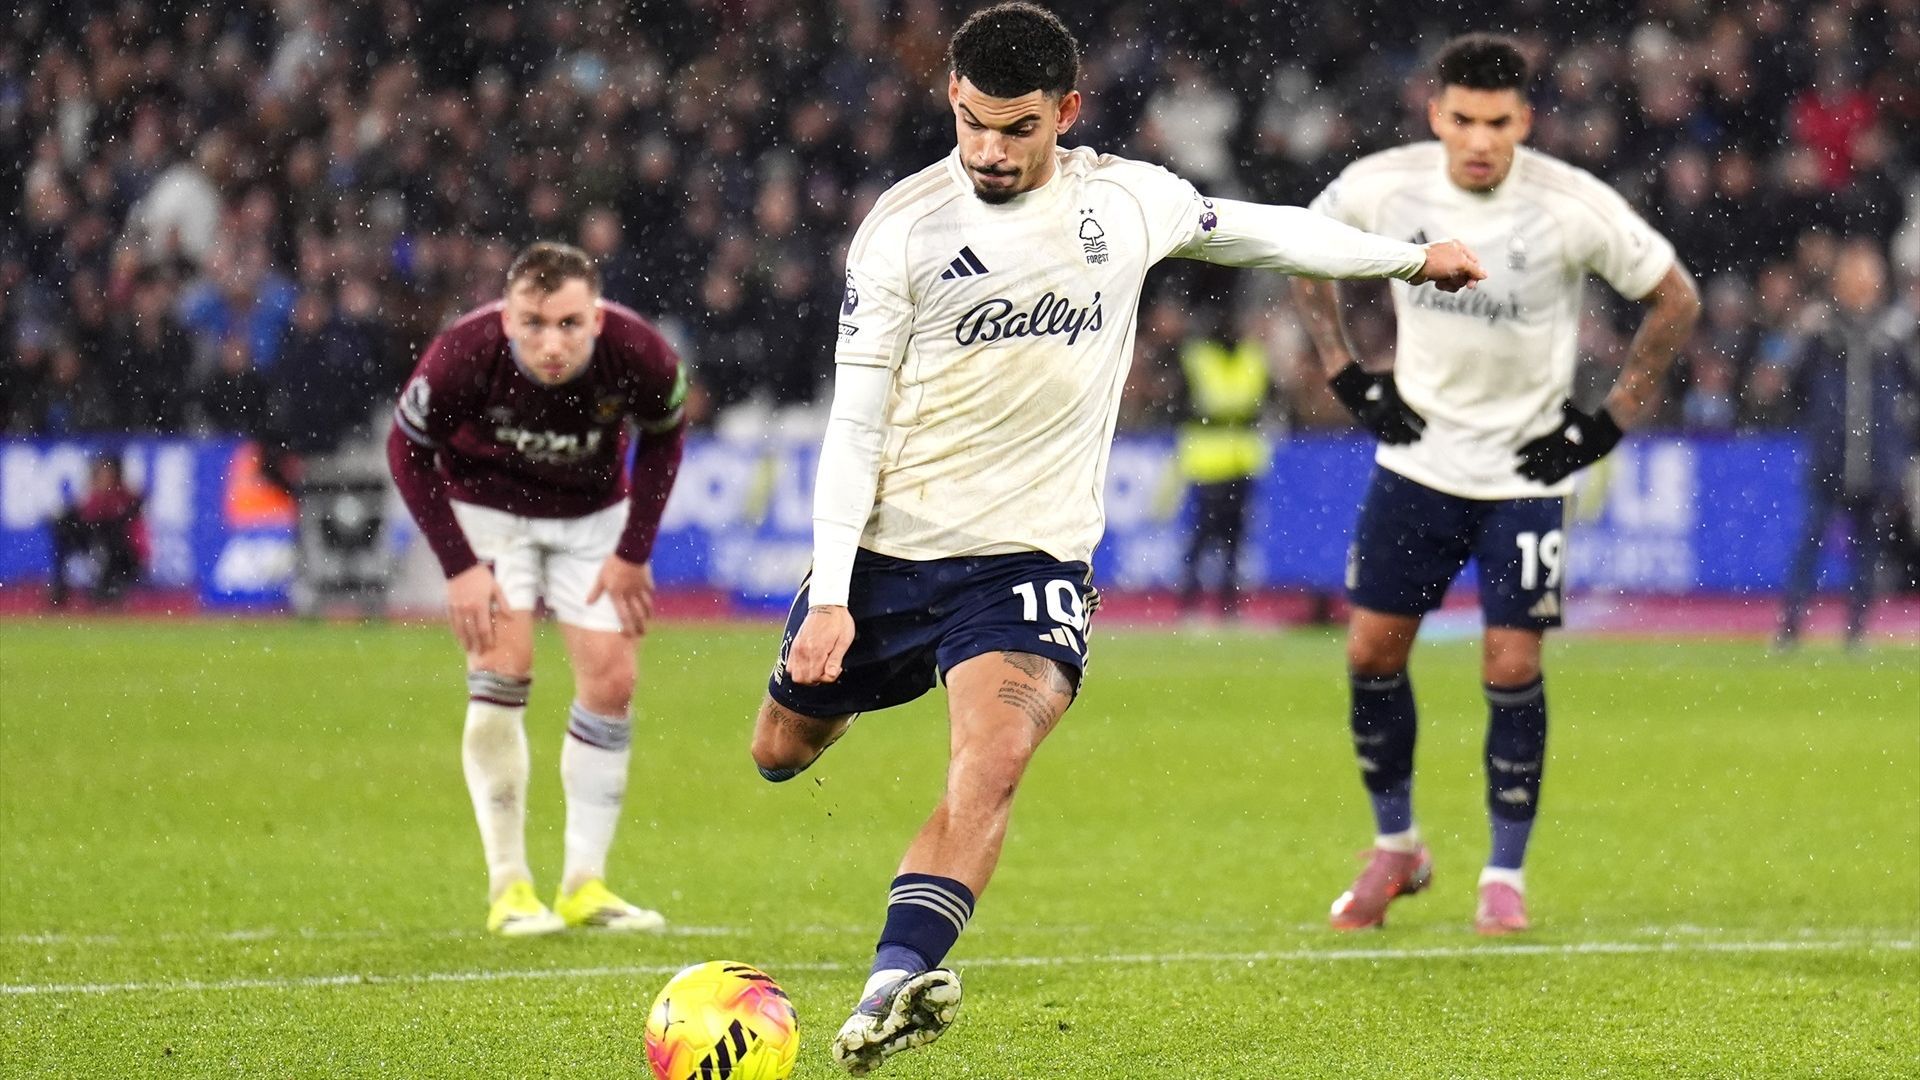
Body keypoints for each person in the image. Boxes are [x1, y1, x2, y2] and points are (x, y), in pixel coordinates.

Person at [745, 5, 1485, 1073]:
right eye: (972, 125)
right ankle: (869, 682)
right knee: (782, 751)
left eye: (1017, 128)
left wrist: (1411, 261)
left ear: (1067, 112)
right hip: (893, 551)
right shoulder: (902, 231)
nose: (990, 152)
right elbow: (854, 420)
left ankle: (889, 988)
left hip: (1031, 561)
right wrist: (830, 599)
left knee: (990, 763)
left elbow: (1264, 231)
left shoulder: (1128, 200)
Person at [1292, 34, 1700, 937]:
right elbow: (1302, 250)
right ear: (1436, 115)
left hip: (1524, 472)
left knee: (1511, 664)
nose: (1480, 140)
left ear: (1526, 122)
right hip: (1417, 462)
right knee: (1369, 656)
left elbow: (1676, 297)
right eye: (1464, 120)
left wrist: (1610, 419)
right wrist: (1345, 374)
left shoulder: (1570, 203)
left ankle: (1502, 876)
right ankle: (1397, 849)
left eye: (1499, 123)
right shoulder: (1382, 184)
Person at [386, 242, 687, 937]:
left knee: (612, 682)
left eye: (569, 324)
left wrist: (634, 550)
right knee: (504, 666)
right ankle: (510, 887)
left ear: (599, 317)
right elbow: (407, 449)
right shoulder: (463, 353)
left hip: (591, 519)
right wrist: (460, 565)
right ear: (506, 317)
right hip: (488, 513)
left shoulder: (642, 354)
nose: (552, 343)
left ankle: (585, 883)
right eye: (533, 323)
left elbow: (666, 435)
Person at [1777, 239, 1916, 649]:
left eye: (1867, 275)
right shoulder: (1822, 330)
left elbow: (1910, 391)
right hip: (1831, 456)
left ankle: (1855, 629)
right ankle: (1790, 626)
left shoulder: (1893, 333)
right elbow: (1796, 385)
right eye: (1854, 274)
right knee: (1812, 541)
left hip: (1875, 459)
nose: (1861, 283)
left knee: (1868, 550)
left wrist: (1897, 442)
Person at [1176, 308, 1272, 621]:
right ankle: (1191, 602)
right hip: (1208, 462)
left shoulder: (1251, 356)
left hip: (1240, 459)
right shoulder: (1200, 358)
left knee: (1234, 539)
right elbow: (1183, 405)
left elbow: (1267, 399)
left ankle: (1227, 605)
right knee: (1204, 536)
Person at [49, 455, 146, 606]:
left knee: (109, 539)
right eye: (100, 472)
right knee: (65, 531)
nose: (103, 477)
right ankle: (62, 587)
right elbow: (81, 518)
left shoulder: (127, 498)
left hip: (127, 555)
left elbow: (119, 526)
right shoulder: (93, 497)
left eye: (107, 472)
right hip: (103, 547)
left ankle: (109, 586)